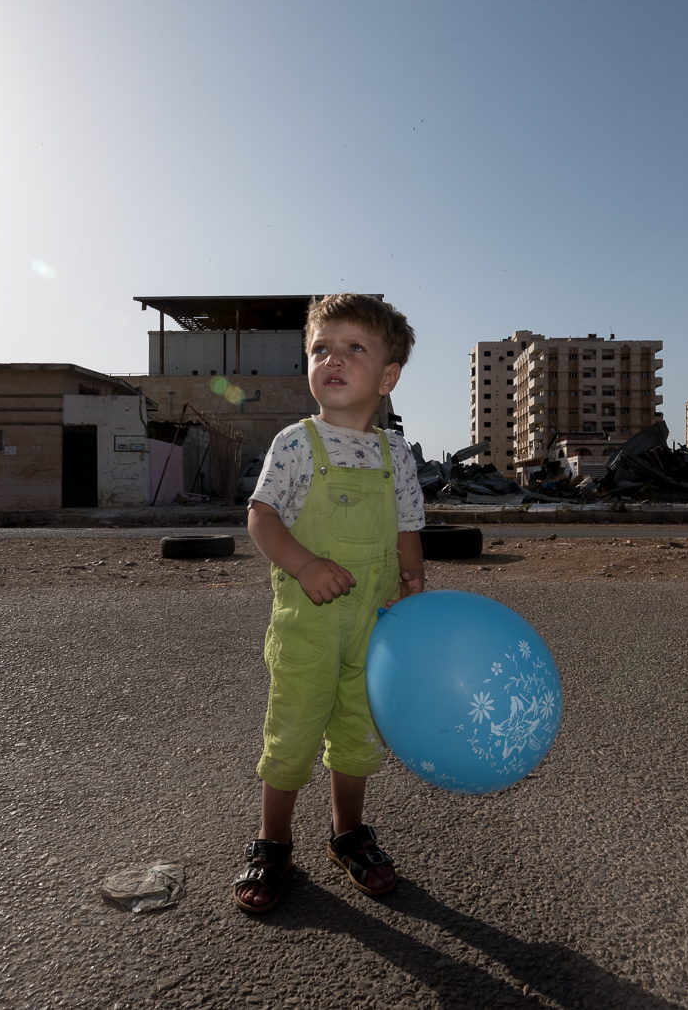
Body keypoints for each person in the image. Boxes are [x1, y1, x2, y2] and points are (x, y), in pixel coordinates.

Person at [233, 293, 425, 913]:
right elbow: (261, 517)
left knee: (358, 734)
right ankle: (273, 840)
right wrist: (305, 564)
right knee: (291, 734)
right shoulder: (296, 443)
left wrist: (413, 581)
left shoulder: (397, 454)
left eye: (353, 348)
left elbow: (406, 528)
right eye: (320, 348)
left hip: (374, 627)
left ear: (388, 377)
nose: (332, 359)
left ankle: (348, 833)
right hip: (308, 628)